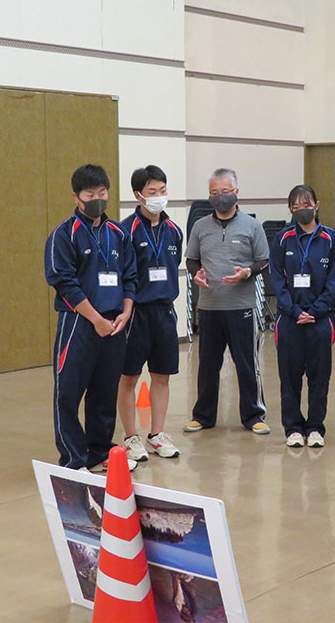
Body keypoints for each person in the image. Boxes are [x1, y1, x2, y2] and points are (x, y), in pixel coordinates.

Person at [44, 164, 138, 472]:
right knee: (69, 393)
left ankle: (99, 451)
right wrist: (95, 318)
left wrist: (125, 312)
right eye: (89, 194)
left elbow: (130, 277)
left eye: (102, 193)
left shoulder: (118, 234)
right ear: (76, 197)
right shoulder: (63, 235)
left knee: (105, 391)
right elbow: (63, 281)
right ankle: (74, 457)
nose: (96, 198)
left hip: (114, 324)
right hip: (79, 324)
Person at [184, 168, 271, 434]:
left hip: (241, 307)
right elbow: (191, 259)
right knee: (207, 365)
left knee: (246, 364)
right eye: (214, 193)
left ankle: (254, 415)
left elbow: (263, 260)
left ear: (236, 192)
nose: (220, 197)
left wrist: (247, 272)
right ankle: (203, 416)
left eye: (224, 192)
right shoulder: (200, 227)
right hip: (209, 307)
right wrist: (195, 273)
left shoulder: (252, 226)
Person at [117, 165, 184, 461]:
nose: (159, 197)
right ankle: (131, 436)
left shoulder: (174, 231)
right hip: (136, 315)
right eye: (152, 192)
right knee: (129, 377)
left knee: (162, 376)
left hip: (165, 312)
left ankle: (156, 434)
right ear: (138, 196)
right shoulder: (124, 231)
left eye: (163, 190)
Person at [269, 185, 335, 448]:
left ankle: (315, 427)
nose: (303, 208)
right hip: (289, 320)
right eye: (297, 205)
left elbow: (334, 281)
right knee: (289, 378)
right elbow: (277, 280)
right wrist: (294, 311)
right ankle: (293, 428)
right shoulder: (282, 239)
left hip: (321, 320)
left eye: (307, 203)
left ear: (317, 204)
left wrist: (315, 311)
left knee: (319, 377)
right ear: (291, 209)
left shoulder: (333, 239)